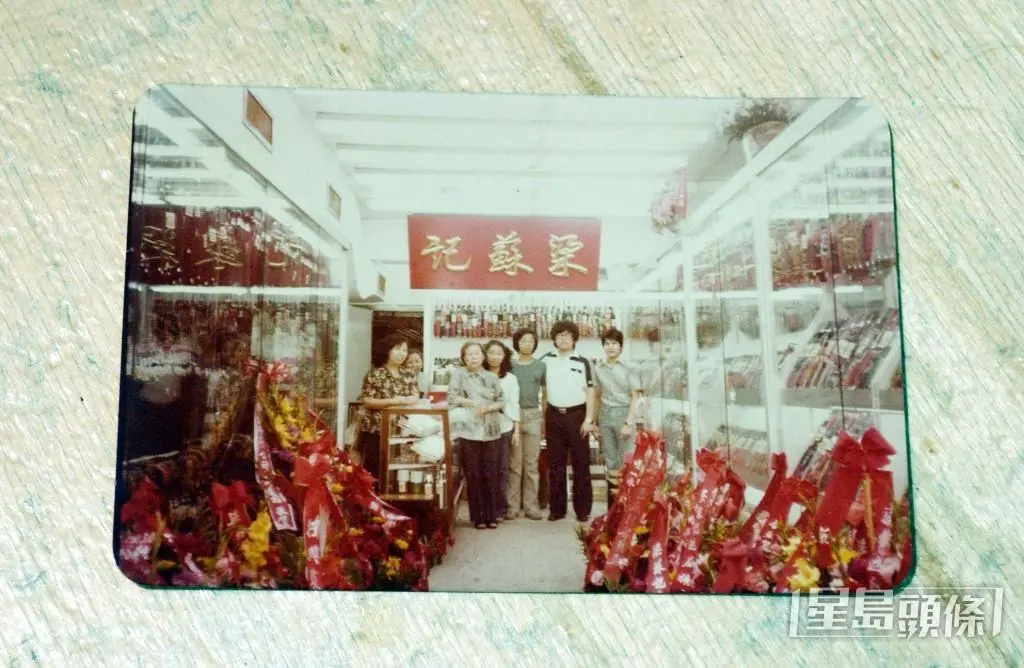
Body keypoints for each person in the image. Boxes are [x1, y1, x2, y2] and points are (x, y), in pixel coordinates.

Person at [539, 320, 596, 523]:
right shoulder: (545, 360)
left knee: (581, 464)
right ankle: (557, 509)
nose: (562, 339)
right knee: (556, 465)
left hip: (577, 416)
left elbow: (591, 392)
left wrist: (589, 419)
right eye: (559, 335)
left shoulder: (583, 361)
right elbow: (543, 391)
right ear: (554, 338)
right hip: (554, 416)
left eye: (567, 335)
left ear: (574, 338)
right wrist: (543, 417)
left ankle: (582, 510)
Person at [447, 342, 506, 530]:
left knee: (492, 473)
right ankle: (478, 517)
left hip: (490, 429)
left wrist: (488, 408)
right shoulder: (459, 375)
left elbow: (502, 400)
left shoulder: (491, 376)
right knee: (474, 474)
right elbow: (451, 397)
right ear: (464, 358)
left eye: (476, 354)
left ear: (483, 357)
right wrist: (471, 403)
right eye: (469, 354)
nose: (473, 357)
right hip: (468, 430)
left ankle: (492, 516)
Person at [356, 334, 420, 490]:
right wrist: (394, 401)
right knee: (375, 473)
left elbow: (415, 397)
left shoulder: (409, 374)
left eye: (404, 350)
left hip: (403, 432)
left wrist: (406, 401)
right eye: (397, 349)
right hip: (377, 431)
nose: (401, 353)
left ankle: (396, 502)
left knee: (400, 473)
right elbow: (367, 400)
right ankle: (374, 503)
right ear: (387, 350)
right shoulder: (375, 374)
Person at [592, 328, 643, 476]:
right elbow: (597, 396)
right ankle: (612, 491)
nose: (610, 347)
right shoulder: (598, 369)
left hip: (624, 414)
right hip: (605, 416)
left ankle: (626, 491)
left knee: (626, 459)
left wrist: (628, 423)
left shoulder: (630, 367)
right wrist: (594, 421)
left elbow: (635, 397)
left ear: (621, 346)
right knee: (610, 459)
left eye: (614, 343)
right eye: (607, 343)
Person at [509, 327, 545, 520]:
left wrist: (543, 418)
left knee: (531, 464)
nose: (527, 344)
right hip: (513, 416)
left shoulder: (541, 366)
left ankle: (531, 506)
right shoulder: (510, 365)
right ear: (517, 343)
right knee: (514, 464)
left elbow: (545, 394)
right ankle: (512, 506)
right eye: (523, 340)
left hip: (533, 416)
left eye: (531, 341)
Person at [485, 339, 519, 522]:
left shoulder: (510, 379)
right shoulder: (478, 375)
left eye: (499, 353)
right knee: (485, 468)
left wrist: (517, 430)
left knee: (502, 469)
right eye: (491, 352)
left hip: (504, 427)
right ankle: (486, 510)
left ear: (504, 356)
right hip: (481, 429)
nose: (495, 357)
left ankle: (500, 509)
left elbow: (514, 403)